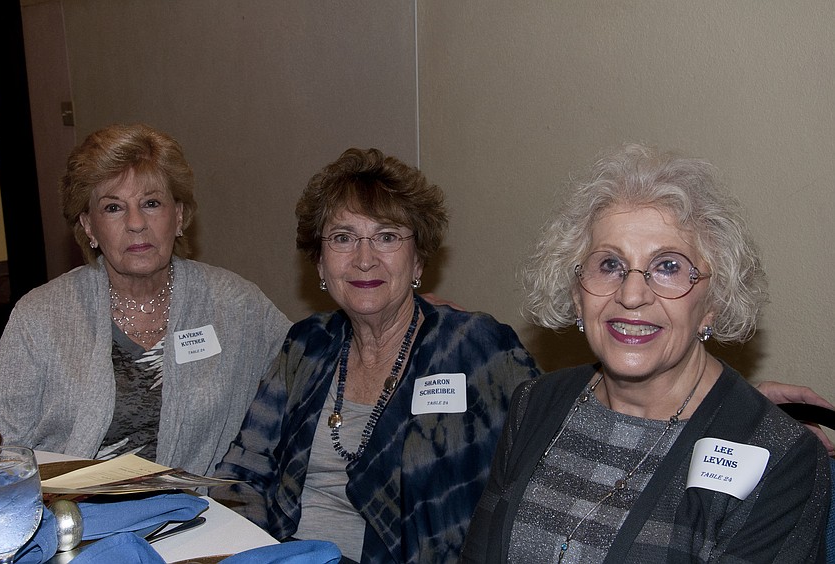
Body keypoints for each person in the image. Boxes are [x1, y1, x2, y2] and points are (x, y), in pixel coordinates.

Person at [460, 144, 830, 562]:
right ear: (577, 294)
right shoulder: (535, 405)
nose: (632, 294)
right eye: (610, 265)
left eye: (668, 266)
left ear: (714, 301)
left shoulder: (780, 457)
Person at [210, 147, 541, 563]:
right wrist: (251, 550)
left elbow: (544, 475)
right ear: (320, 263)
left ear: (418, 257)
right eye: (343, 238)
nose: (364, 259)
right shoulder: (307, 345)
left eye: (387, 237)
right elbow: (243, 469)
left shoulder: (477, 348)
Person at [0, 123, 291, 477]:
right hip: (73, 519)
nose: (136, 223)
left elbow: (309, 374)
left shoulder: (235, 305)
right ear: (88, 225)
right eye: (113, 207)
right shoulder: (40, 317)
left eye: (151, 203)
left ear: (177, 216)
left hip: (201, 517)